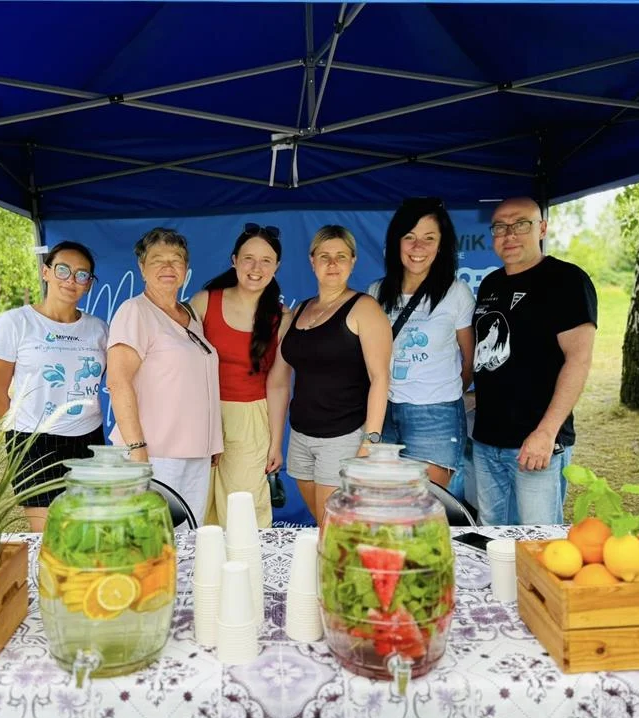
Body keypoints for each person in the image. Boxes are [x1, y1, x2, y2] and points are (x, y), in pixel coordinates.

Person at [472, 196, 598, 525]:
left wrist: (546, 432)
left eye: (521, 225)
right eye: (500, 227)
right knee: (492, 540)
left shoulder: (566, 280)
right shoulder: (491, 283)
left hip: (536, 444)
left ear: (542, 228)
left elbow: (579, 360)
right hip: (487, 441)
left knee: (538, 541)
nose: (509, 235)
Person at [267, 225, 392, 526]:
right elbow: (279, 382)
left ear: (353, 261)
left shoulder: (365, 308)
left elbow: (380, 379)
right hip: (301, 437)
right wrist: (275, 443)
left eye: (341, 256)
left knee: (335, 527)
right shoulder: (299, 311)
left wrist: (370, 443)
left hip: (343, 437)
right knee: (326, 526)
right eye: (324, 256)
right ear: (312, 261)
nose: (332, 263)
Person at [0, 240, 108, 532]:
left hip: (88, 440)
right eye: (63, 270)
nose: (71, 280)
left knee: (86, 532)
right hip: (34, 442)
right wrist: (21, 434)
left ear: (89, 284)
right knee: (50, 536)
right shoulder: (15, 323)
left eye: (81, 275)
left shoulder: (99, 329)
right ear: (46, 272)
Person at [106, 228, 223, 522]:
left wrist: (212, 441)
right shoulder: (135, 311)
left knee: (187, 536)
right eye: (157, 259)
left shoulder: (190, 316)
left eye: (176, 259)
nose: (168, 267)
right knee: (149, 535)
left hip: (194, 454)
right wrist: (136, 450)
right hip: (153, 454)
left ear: (186, 268)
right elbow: (118, 382)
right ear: (142, 267)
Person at [190, 223, 291, 529]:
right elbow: (185, 368)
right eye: (248, 258)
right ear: (234, 260)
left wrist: (275, 443)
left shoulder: (282, 318)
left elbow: (278, 384)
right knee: (198, 507)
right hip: (202, 414)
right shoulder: (204, 301)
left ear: (277, 266)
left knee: (244, 512)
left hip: (250, 420)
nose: (256, 268)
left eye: (266, 260)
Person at [369, 197, 475, 489]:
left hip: (435, 416)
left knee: (426, 504)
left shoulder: (456, 292)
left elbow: (469, 359)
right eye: (409, 237)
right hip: (384, 411)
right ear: (396, 242)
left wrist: (444, 393)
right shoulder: (376, 292)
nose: (418, 247)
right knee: (385, 502)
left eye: (429, 238)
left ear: (441, 245)